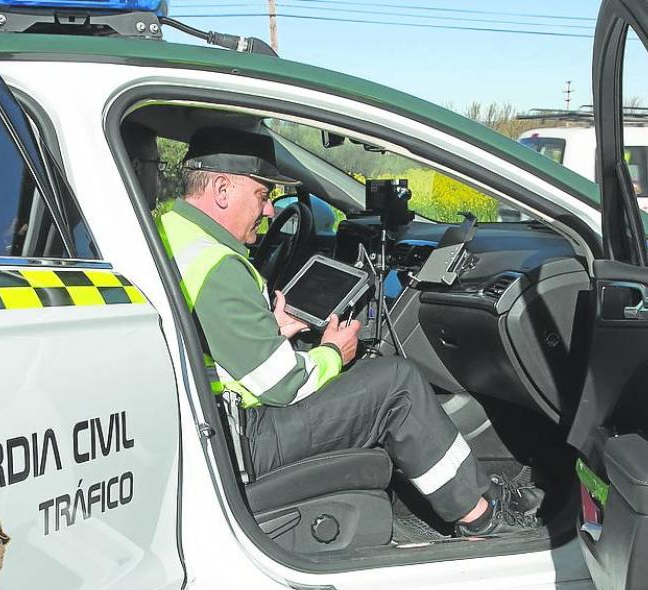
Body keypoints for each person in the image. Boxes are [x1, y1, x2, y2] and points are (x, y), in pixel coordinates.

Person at [155, 127, 543, 538]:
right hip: (243, 434)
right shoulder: (218, 267)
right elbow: (281, 384)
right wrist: (334, 353)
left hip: (209, 417)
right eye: (263, 195)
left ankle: (473, 495)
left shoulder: (172, 230)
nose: (269, 211)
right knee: (398, 383)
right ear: (221, 188)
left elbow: (209, 338)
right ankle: (481, 515)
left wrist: (273, 331)